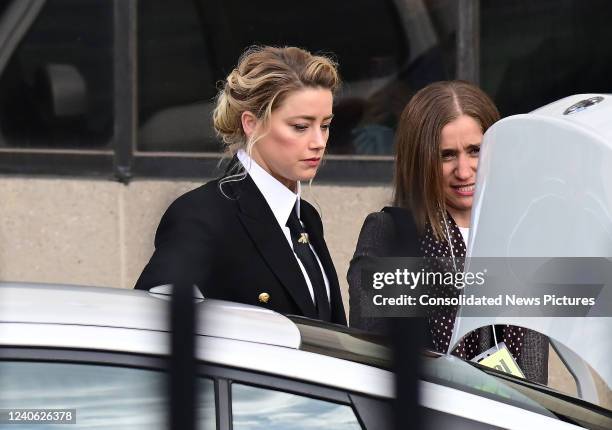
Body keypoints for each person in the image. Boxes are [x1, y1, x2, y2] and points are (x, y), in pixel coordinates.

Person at [348, 80, 548, 383]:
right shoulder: (390, 232)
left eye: (475, 151)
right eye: (446, 155)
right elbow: (372, 356)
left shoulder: (518, 237)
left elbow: (534, 370)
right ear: (420, 161)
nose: (464, 171)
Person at [135, 46, 346, 325]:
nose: (319, 142)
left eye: (325, 125)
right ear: (251, 124)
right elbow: (150, 327)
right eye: (300, 126)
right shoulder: (202, 215)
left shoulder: (306, 217)